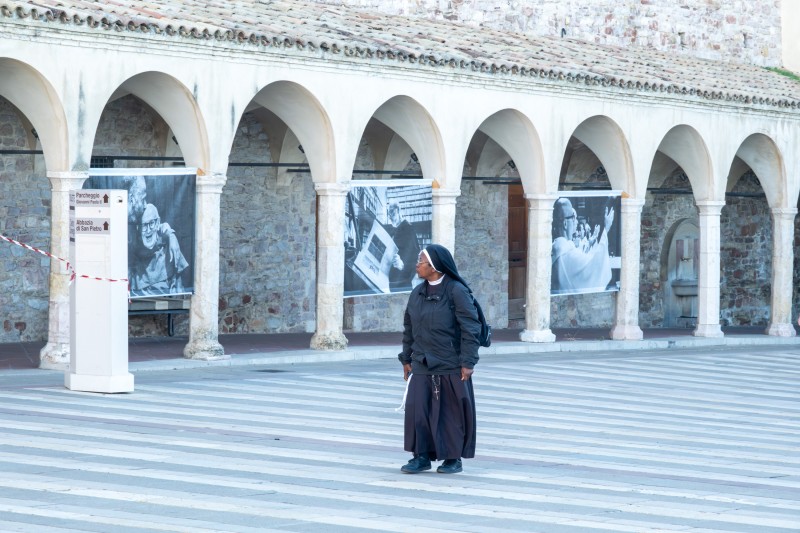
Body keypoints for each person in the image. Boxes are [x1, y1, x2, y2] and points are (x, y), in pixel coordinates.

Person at [397, 244, 481, 474]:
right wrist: (406, 358)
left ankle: (453, 459)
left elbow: (470, 327)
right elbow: (409, 328)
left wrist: (468, 361)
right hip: (422, 362)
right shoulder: (418, 293)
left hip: (451, 362)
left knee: (450, 412)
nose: (417, 264)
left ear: (434, 266)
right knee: (418, 410)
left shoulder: (456, 291)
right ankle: (421, 456)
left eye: (421, 261)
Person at [551, 197, 614, 295]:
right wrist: (606, 229)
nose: (576, 221)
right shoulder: (567, 254)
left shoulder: (555, 249)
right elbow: (593, 265)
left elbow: (585, 258)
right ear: (565, 224)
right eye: (573, 217)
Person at [130, 203, 189, 296]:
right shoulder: (134, 253)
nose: (148, 230)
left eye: (152, 223)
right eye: (144, 225)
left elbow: (179, 290)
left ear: (158, 223)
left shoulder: (169, 251)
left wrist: (171, 235)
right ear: (139, 227)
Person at [384, 202, 420, 291]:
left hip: (402, 283)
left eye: (392, 212)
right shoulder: (396, 230)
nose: (390, 216)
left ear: (399, 211)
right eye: (389, 213)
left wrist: (402, 265)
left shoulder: (408, 228)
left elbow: (416, 256)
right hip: (393, 281)